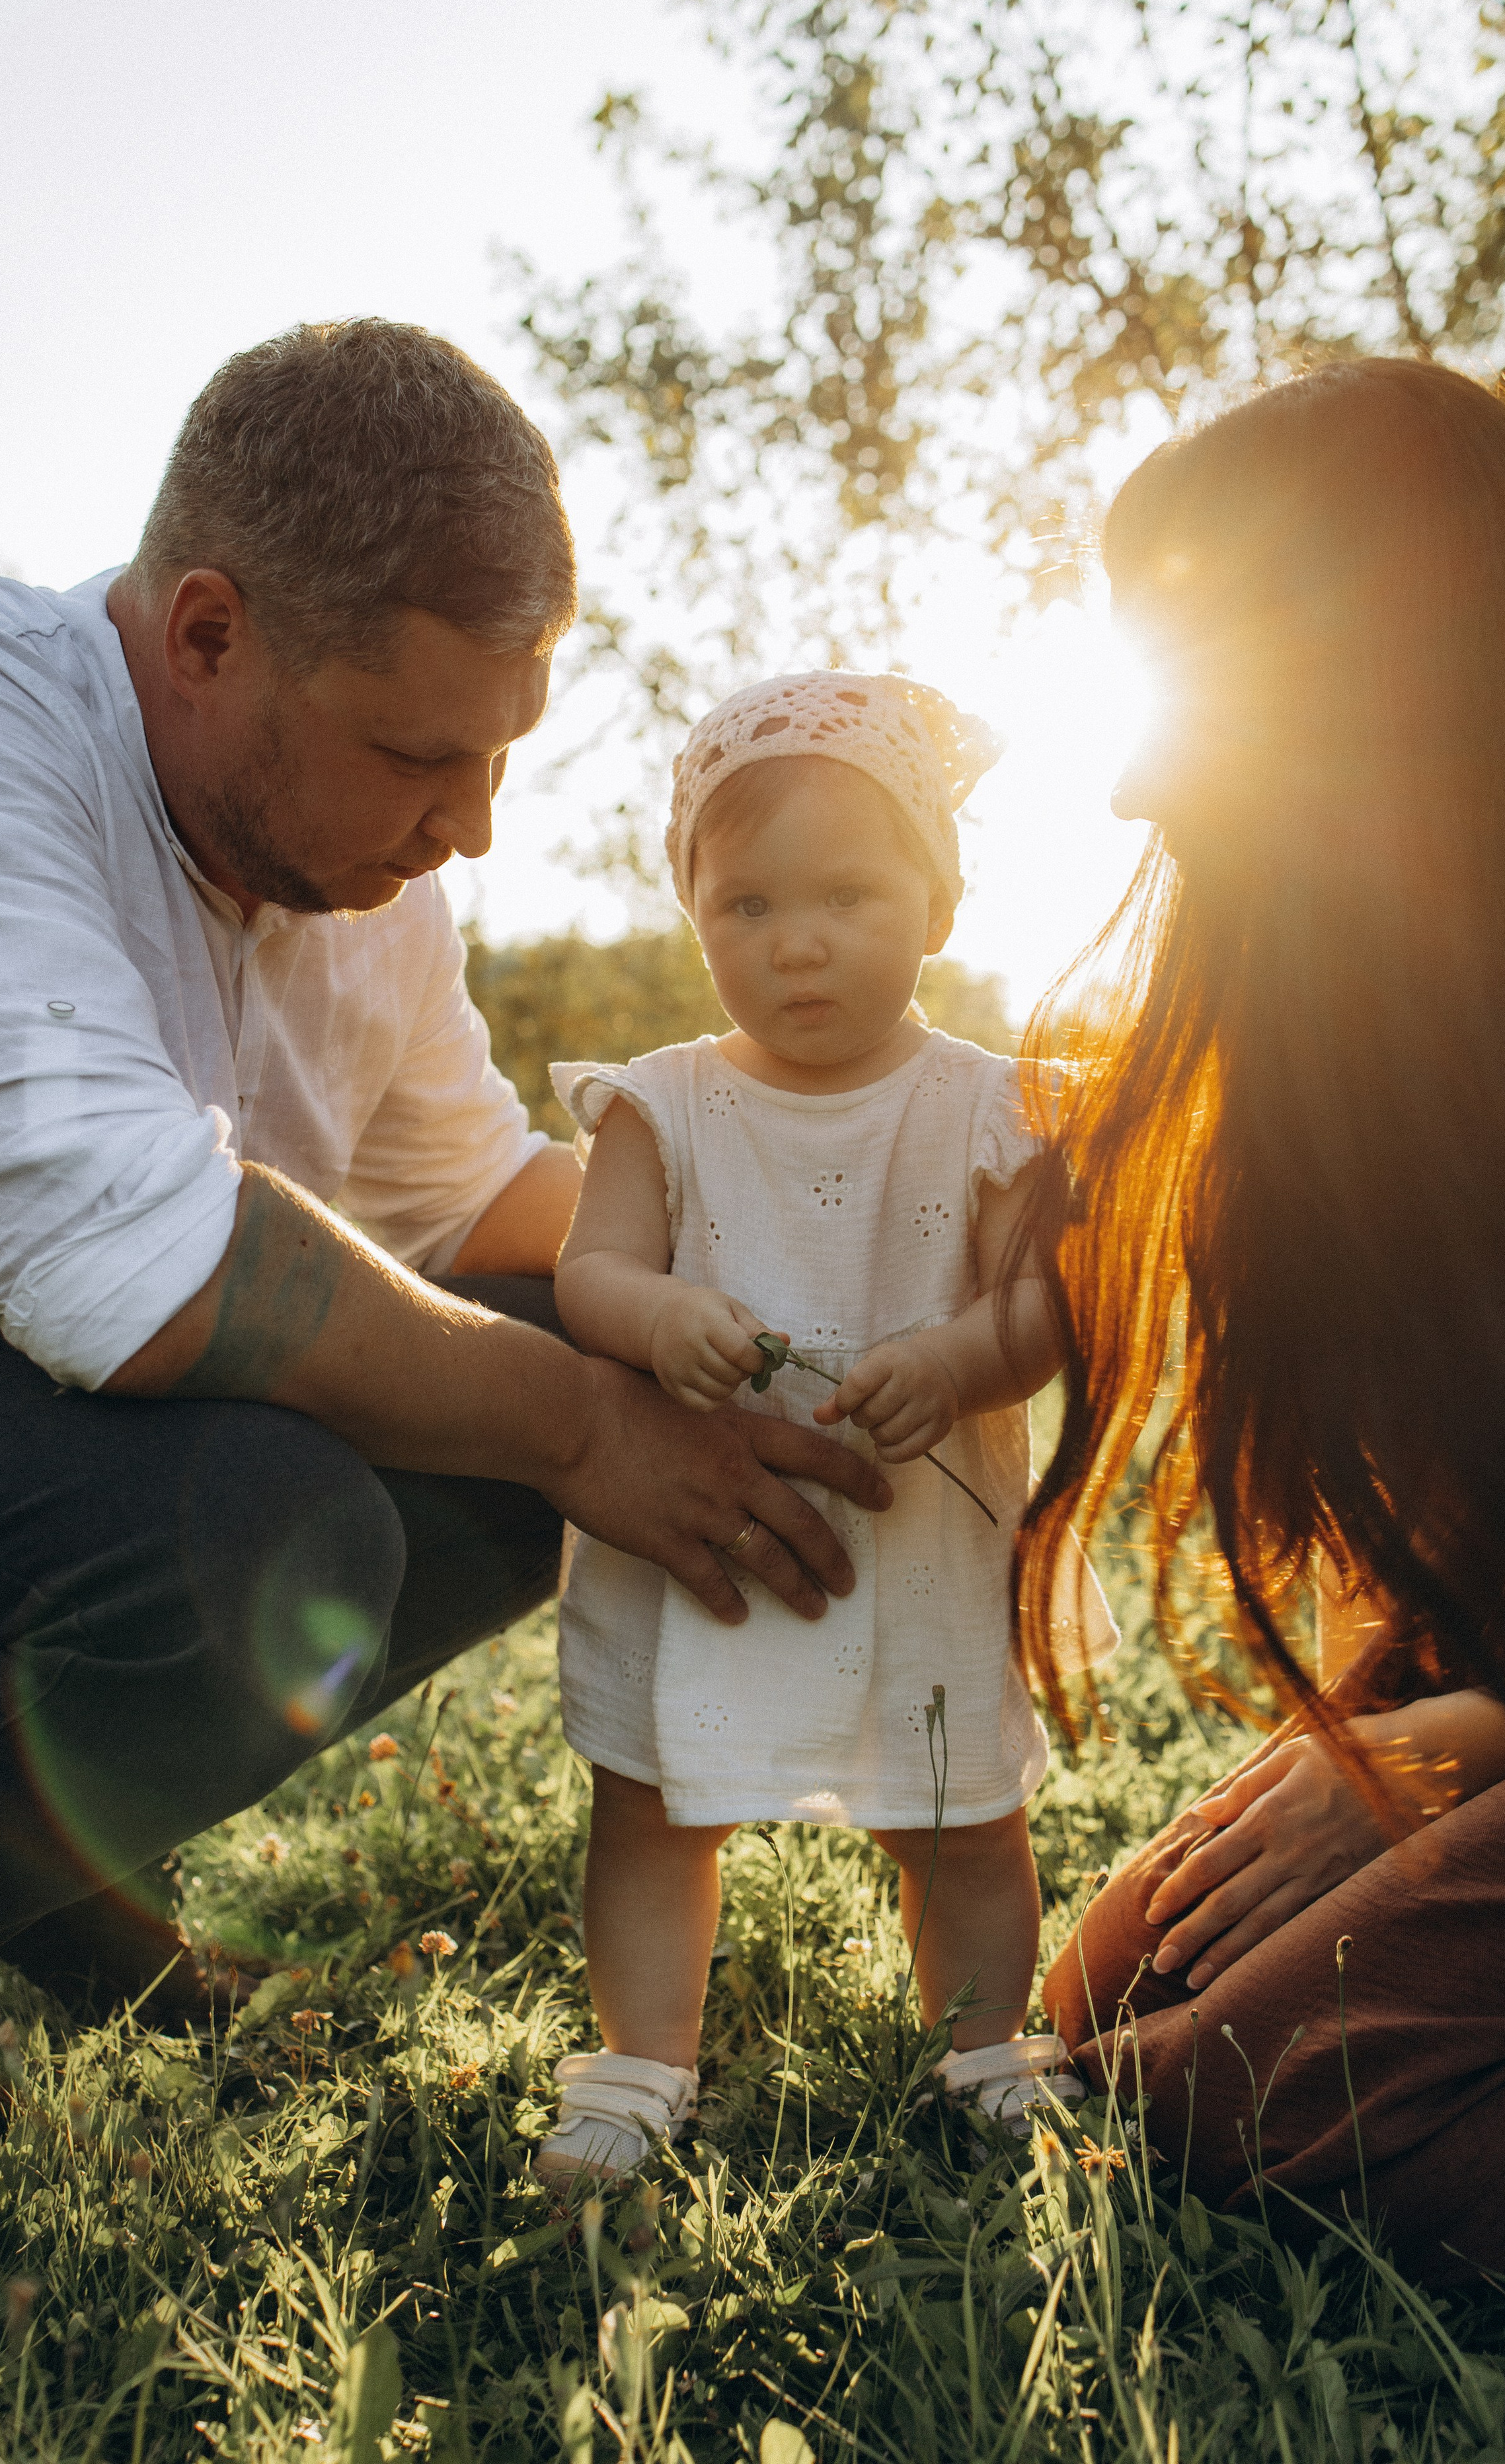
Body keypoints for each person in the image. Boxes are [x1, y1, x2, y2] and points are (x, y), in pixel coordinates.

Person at [0, 322, 892, 2066]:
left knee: (579, 1342)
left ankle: (25, 1887)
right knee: (261, 1523)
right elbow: (143, 1271)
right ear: (207, 633)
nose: (470, 828)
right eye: (418, 758)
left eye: (498, 759)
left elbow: (475, 1211)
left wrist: (802, 1281)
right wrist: (576, 1428)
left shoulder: (360, 886)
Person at [1017, 359, 1505, 2289]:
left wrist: (1442, 1759)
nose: (1140, 773)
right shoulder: (1382, 1067)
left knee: (1203, 2087)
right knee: (1107, 1990)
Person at [525, 671, 1116, 2179]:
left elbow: (1050, 1304)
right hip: (698, 1536)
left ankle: (983, 2043)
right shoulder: (660, 1105)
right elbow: (588, 1270)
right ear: (694, 914)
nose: (794, 942)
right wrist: (661, 1321)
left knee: (957, 1812)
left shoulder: (988, 1107)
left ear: (936, 899)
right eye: (744, 905)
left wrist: (962, 1358)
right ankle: (638, 2060)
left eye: (847, 894)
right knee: (653, 1804)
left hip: (916, 1531)